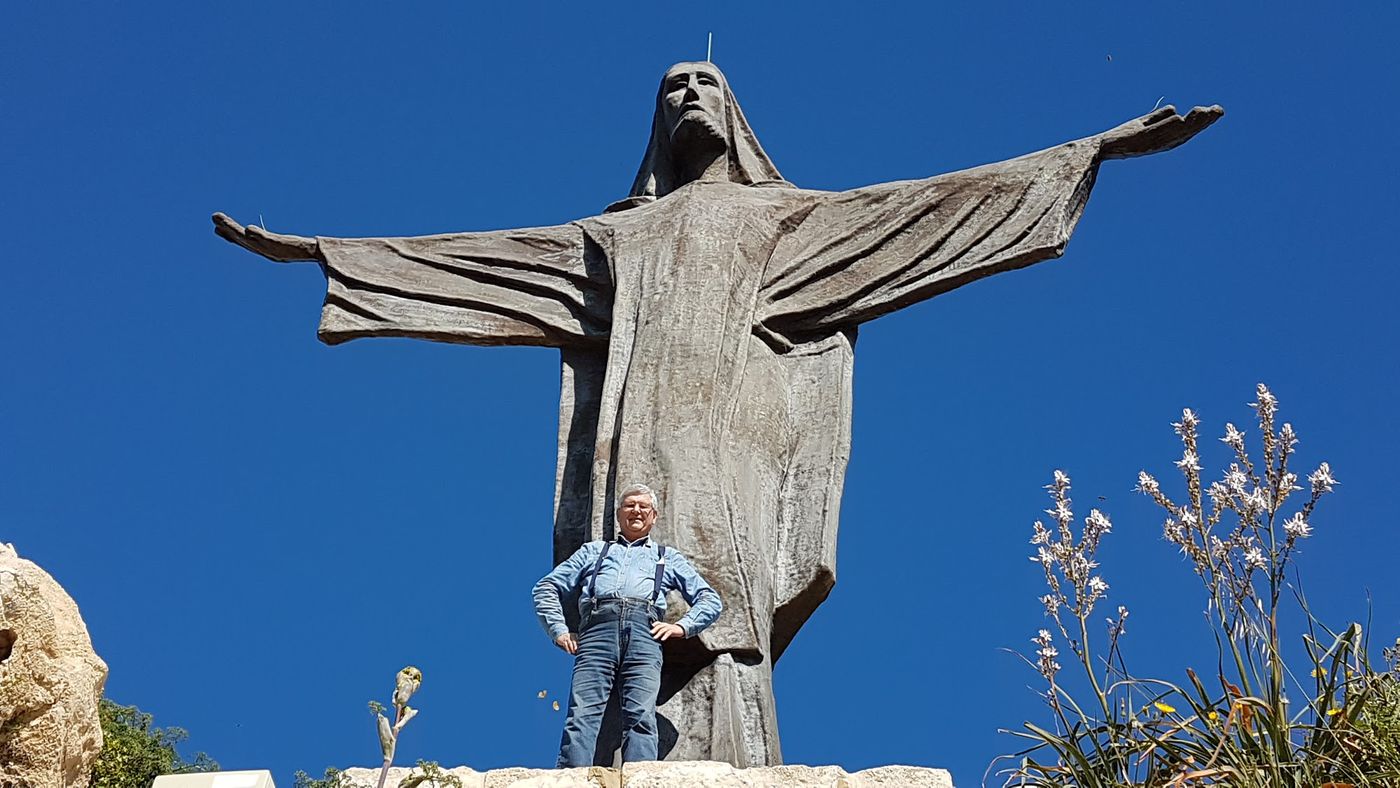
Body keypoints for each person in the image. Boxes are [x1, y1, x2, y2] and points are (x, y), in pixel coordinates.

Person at [532, 482, 721, 767]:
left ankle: (641, 777)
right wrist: (558, 630)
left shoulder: (666, 557)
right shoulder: (594, 552)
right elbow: (545, 588)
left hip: (645, 632)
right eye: (630, 505)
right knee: (583, 711)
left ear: (654, 516)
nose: (636, 511)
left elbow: (710, 600)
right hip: (598, 629)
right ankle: (572, 777)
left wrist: (681, 627)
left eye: (644, 507)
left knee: (641, 712)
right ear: (619, 514)